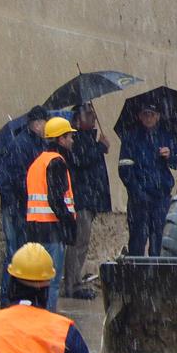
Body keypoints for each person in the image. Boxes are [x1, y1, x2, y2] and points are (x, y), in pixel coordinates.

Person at [0, 105, 48, 309]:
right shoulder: (24, 144)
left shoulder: (32, 143)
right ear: (36, 123)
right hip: (16, 206)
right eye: (44, 122)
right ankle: (8, 298)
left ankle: (11, 298)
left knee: (16, 252)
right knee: (14, 253)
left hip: (17, 204)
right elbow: (20, 178)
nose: (45, 127)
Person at [25, 117, 78, 312]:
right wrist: (70, 225)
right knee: (52, 281)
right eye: (70, 136)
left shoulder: (38, 162)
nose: (72, 140)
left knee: (37, 280)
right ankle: (47, 322)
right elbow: (57, 199)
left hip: (35, 228)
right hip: (52, 229)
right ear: (61, 139)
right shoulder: (57, 162)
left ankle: (36, 316)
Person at [118, 102, 177, 256]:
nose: (149, 118)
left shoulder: (167, 136)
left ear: (158, 117)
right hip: (139, 199)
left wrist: (170, 156)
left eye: (152, 114)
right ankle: (136, 276)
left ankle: (157, 275)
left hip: (161, 198)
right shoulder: (131, 137)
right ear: (140, 116)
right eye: (145, 114)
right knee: (137, 240)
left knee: (159, 239)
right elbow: (124, 170)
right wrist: (137, 192)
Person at [63, 103, 111, 300]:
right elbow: (81, 161)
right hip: (81, 199)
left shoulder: (90, 138)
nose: (92, 118)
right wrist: (100, 147)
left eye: (92, 114)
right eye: (87, 114)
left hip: (90, 199)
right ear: (77, 119)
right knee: (77, 243)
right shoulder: (76, 140)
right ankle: (72, 284)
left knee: (82, 242)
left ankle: (75, 280)